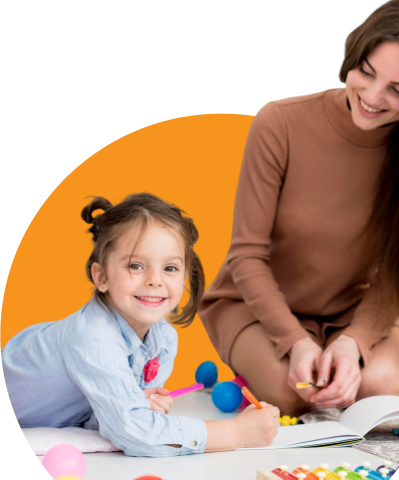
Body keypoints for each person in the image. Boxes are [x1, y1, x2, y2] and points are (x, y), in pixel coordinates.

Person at [198, 0, 399, 417]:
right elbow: (246, 256)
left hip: (350, 310)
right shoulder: (279, 123)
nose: (371, 96)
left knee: (382, 387)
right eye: (365, 73)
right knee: (294, 392)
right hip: (253, 306)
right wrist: (294, 341)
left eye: (398, 90)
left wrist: (354, 340)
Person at [2, 193, 280, 457]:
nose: (155, 280)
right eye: (136, 266)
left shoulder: (163, 340)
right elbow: (136, 433)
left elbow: (109, 423)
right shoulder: (92, 336)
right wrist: (236, 432)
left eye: (170, 268)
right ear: (101, 277)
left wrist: (140, 406)